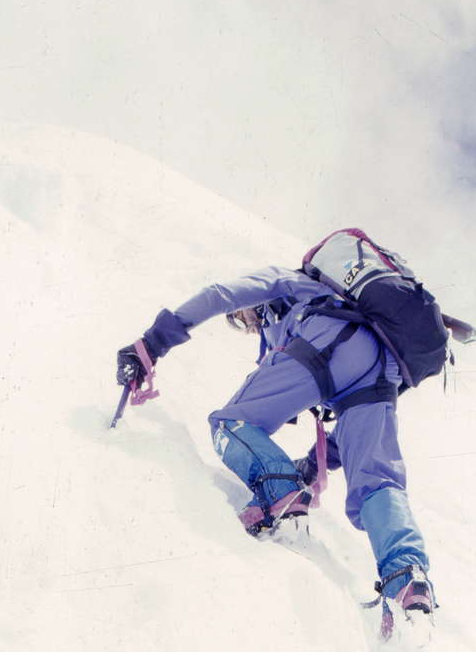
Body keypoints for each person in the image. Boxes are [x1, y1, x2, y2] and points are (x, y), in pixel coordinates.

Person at [116, 264, 435, 620]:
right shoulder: (347, 304)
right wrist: (312, 467)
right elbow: (346, 439)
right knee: (378, 481)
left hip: (330, 338)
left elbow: (220, 294)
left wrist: (151, 344)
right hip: (381, 367)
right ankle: (408, 581)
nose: (247, 325)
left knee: (231, 423)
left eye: (241, 320)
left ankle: (279, 495)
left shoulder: (288, 282)